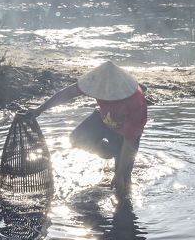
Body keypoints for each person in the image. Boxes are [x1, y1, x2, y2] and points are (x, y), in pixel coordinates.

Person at [30, 61, 147, 193]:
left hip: (125, 134)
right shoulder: (96, 82)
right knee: (76, 139)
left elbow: (130, 141)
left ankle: (121, 177)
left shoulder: (135, 102)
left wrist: (119, 174)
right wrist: (40, 109)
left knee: (124, 181)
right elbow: (67, 93)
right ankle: (111, 153)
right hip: (103, 119)